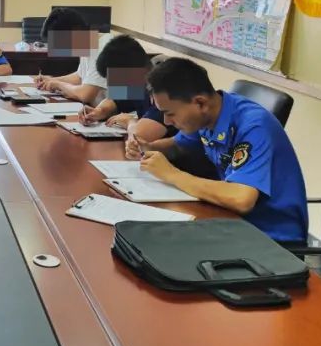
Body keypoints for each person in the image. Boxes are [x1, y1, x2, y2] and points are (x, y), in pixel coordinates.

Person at [129, 57, 308, 244]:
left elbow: (241, 199)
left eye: (170, 113)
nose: (166, 121)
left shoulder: (254, 126)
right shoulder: (210, 114)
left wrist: (172, 174)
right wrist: (149, 147)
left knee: (162, 243)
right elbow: (178, 144)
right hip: (230, 220)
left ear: (200, 103)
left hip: (271, 239)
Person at [79, 37, 176, 142]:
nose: (112, 87)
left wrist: (130, 122)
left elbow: (139, 137)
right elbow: (114, 101)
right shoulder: (139, 80)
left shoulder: (164, 91)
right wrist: (99, 111)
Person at [33, 7, 110, 105]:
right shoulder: (89, 43)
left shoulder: (104, 46)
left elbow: (85, 95)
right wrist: (51, 80)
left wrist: (58, 84)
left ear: (76, 30)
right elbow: (80, 77)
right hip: (95, 109)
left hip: (115, 113)